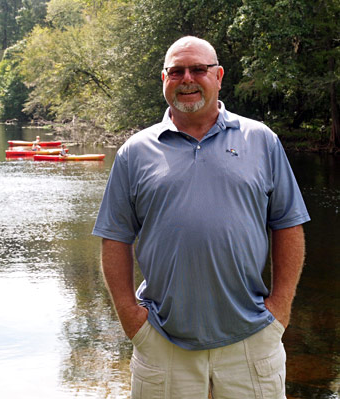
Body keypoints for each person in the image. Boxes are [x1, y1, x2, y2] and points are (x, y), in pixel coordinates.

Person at [92, 36, 310, 398]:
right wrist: (131, 318)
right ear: (163, 79)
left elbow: (288, 223)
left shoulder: (261, 140)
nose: (187, 79)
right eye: (176, 71)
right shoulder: (135, 152)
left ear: (219, 76)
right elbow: (115, 237)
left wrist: (279, 312)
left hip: (251, 339)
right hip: (162, 341)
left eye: (198, 69)